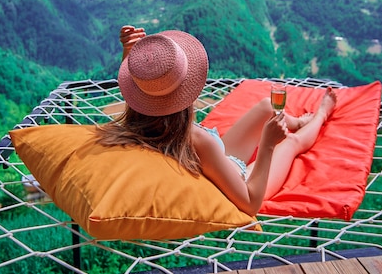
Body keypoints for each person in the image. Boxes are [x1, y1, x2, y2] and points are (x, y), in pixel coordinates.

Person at [97, 25, 337, 216]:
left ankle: (294, 121)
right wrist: (268, 144)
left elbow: (140, 90)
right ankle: (321, 115)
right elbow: (251, 203)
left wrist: (131, 54)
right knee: (291, 143)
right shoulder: (199, 140)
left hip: (220, 159)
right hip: (241, 178)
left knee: (267, 106)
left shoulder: (140, 120)